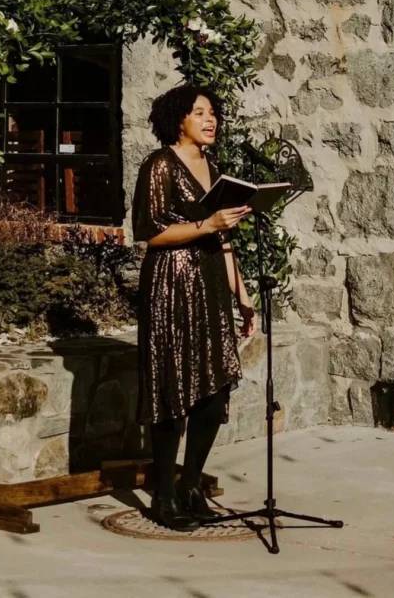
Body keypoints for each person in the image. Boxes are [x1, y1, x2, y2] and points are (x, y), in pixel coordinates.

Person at [132, 84, 257, 532]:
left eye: (213, 112)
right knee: (172, 389)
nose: (210, 120)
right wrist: (206, 223)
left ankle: (190, 486)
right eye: (199, 112)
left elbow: (222, 240)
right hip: (171, 285)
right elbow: (150, 232)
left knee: (214, 388)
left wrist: (240, 293)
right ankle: (163, 497)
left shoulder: (214, 167)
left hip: (211, 285)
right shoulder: (159, 165)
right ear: (177, 120)